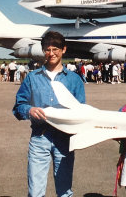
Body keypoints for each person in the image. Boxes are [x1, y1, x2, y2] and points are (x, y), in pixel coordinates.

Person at [13, 31, 85, 197]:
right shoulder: (32, 77)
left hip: (65, 139)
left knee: (65, 191)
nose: (51, 53)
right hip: (40, 138)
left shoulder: (74, 80)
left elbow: (81, 110)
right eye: (47, 49)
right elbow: (19, 106)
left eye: (55, 49)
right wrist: (29, 110)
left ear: (64, 50)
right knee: (35, 192)